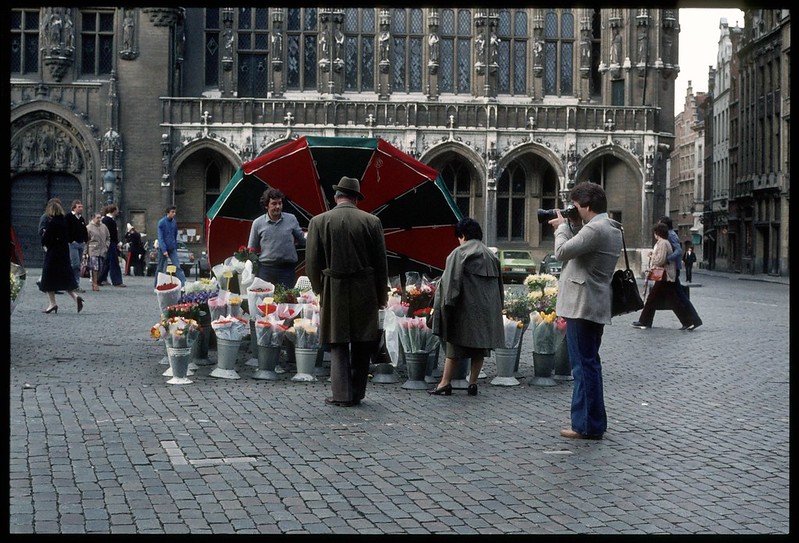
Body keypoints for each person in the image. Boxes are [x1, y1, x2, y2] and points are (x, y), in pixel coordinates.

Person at [548, 181, 622, 440]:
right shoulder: (609, 227)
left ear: (587, 206)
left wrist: (561, 228)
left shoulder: (596, 230)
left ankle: (585, 426)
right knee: (590, 365)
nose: (574, 211)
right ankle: (593, 423)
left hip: (582, 305)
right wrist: (573, 225)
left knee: (582, 367)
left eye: (576, 207)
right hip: (593, 303)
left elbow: (561, 252)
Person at [305, 176, 388, 407]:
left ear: (336, 196)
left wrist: (319, 289)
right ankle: (358, 391)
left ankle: (341, 394)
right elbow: (381, 264)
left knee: (338, 341)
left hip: (334, 288)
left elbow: (312, 262)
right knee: (363, 340)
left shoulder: (319, 221)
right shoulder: (372, 221)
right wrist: (382, 295)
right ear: (356, 198)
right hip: (365, 288)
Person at [428, 217, 505, 397]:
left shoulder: (459, 253)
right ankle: (473, 383)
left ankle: (444, 383)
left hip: (464, 309)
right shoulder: (491, 255)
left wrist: (445, 308)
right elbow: (500, 288)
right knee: (479, 348)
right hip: (486, 311)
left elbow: (450, 283)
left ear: (462, 235)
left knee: (453, 346)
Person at [631, 223, 691, 330]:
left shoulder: (663, 243)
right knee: (656, 299)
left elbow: (661, 260)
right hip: (664, 275)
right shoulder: (663, 242)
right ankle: (645, 321)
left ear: (657, 233)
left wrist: (652, 256)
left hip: (664, 275)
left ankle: (644, 321)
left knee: (660, 299)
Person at [247, 188, 306, 289]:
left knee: (286, 302)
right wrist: (251, 269)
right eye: (274, 203)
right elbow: (251, 250)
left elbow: (302, 240)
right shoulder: (257, 223)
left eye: (280, 203)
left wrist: (313, 234)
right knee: (265, 301)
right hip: (266, 270)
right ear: (266, 205)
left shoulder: (291, 219)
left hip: (287, 270)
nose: (278, 206)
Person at [38, 198, 84, 314]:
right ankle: (75, 297)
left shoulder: (52, 223)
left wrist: (45, 238)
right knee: (64, 278)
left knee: (48, 278)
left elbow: (46, 238)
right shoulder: (64, 221)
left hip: (53, 253)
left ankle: (52, 304)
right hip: (63, 253)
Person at [154, 205, 187, 286]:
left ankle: (184, 283)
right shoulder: (162, 222)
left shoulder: (174, 223)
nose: (174, 214)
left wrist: (174, 246)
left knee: (177, 266)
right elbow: (160, 237)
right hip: (163, 248)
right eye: (172, 212)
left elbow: (174, 235)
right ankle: (157, 284)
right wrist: (164, 249)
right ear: (168, 213)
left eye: (175, 212)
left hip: (172, 248)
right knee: (161, 267)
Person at [98, 204, 126, 287]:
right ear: (113, 211)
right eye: (117, 210)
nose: (118, 212)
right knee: (114, 262)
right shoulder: (108, 220)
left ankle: (100, 279)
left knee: (107, 262)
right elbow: (112, 234)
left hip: (109, 243)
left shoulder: (107, 220)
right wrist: (117, 243)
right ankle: (117, 281)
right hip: (110, 243)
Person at [66, 199, 88, 292]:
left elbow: (84, 230)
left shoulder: (81, 218)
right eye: (79, 207)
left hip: (80, 244)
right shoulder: (68, 217)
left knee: (78, 265)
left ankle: (76, 283)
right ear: (74, 208)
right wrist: (71, 240)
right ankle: (72, 283)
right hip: (73, 244)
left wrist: (85, 240)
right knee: (75, 264)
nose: (81, 209)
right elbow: (66, 229)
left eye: (82, 207)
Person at [86, 212, 110, 291]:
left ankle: (95, 281)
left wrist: (106, 246)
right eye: (97, 218)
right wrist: (85, 252)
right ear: (93, 218)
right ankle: (95, 283)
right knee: (95, 267)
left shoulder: (104, 227)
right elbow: (86, 240)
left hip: (102, 250)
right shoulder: (89, 227)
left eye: (100, 218)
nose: (99, 219)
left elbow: (108, 237)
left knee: (101, 267)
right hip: (93, 250)